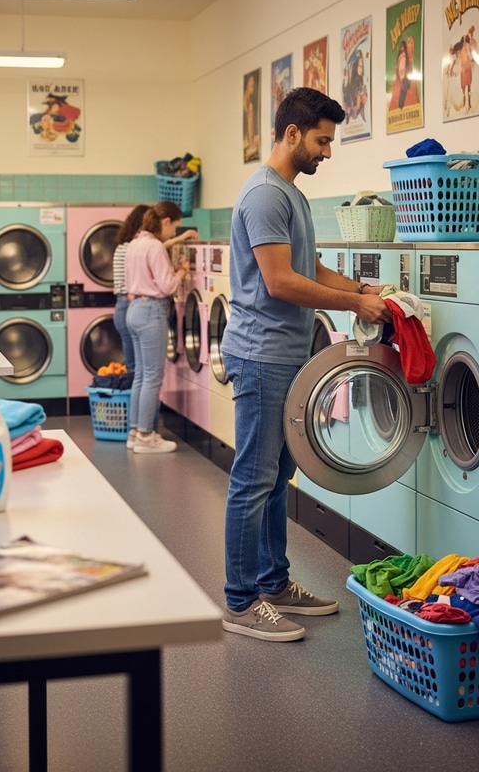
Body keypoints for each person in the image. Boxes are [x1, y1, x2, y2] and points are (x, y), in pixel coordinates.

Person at [220, 87, 392, 641]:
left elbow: (310, 266)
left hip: (286, 354)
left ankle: (273, 582)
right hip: (261, 354)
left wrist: (363, 287)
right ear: (292, 134)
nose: (328, 151)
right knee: (252, 480)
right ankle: (241, 601)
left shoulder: (290, 194)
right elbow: (281, 282)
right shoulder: (265, 195)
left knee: (277, 479)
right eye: (322, 140)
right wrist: (355, 305)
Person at [124, 201, 198, 454]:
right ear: (165, 222)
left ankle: (135, 432)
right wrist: (181, 274)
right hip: (151, 312)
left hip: (133, 310)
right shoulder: (154, 246)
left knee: (141, 375)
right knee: (153, 377)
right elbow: (167, 286)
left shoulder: (134, 243)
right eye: (174, 228)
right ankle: (147, 436)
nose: (173, 234)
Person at [113, 204, 152, 376]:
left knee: (135, 368)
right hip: (130, 304)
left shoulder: (123, 246)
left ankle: (134, 403)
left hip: (122, 307)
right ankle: (135, 404)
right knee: (138, 370)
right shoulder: (135, 248)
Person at [389, 37, 419, 111]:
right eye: (400, 59)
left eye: (404, 59)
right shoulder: (395, 88)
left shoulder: (411, 85)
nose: (402, 65)